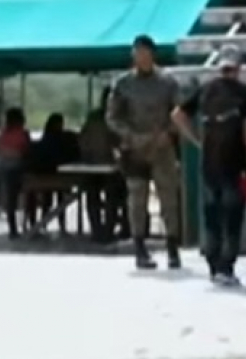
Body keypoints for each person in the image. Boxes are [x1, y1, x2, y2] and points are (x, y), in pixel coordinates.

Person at [172, 45, 246, 286]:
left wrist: (196, 141)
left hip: (209, 164)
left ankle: (213, 266)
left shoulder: (205, 90)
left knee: (212, 215)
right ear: (239, 67)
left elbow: (177, 115)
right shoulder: (245, 94)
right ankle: (226, 267)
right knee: (232, 218)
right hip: (235, 164)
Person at [107, 35, 183, 270]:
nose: (139, 58)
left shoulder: (168, 81)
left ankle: (172, 247)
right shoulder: (123, 83)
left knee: (168, 198)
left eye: (143, 53)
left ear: (152, 54)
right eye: (136, 54)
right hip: (134, 148)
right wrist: (128, 135)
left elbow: (179, 110)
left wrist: (168, 133)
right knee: (137, 200)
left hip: (161, 147)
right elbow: (112, 116)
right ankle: (140, 248)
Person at [78, 98, 124, 242]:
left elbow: (83, 139)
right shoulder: (118, 116)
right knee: (113, 197)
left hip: (92, 164)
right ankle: (108, 231)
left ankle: (97, 230)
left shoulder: (93, 117)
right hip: (109, 164)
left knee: (93, 198)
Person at [26, 113, 79, 234]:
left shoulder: (44, 141)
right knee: (60, 198)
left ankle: (41, 223)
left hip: (42, 175)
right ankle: (60, 224)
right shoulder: (65, 139)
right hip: (59, 175)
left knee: (48, 199)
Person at [0, 108, 31, 239]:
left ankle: (12, 229)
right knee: (29, 197)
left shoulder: (3, 134)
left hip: (6, 169)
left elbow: (0, 151)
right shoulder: (23, 134)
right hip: (20, 169)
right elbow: (27, 151)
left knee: (11, 201)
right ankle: (31, 224)